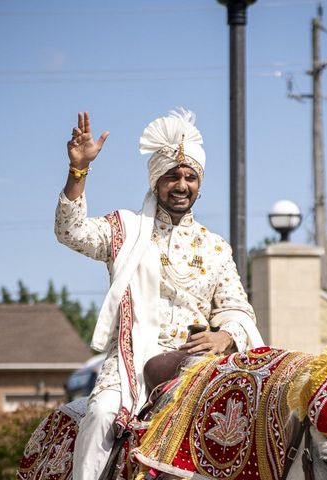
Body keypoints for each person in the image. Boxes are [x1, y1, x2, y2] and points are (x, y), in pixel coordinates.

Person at [55, 108, 264, 480]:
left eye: (190, 177)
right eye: (172, 176)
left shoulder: (216, 248)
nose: (181, 185)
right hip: (132, 362)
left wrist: (226, 335)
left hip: (198, 366)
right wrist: (79, 172)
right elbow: (71, 232)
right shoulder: (125, 229)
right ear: (156, 182)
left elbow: (237, 308)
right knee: (102, 414)